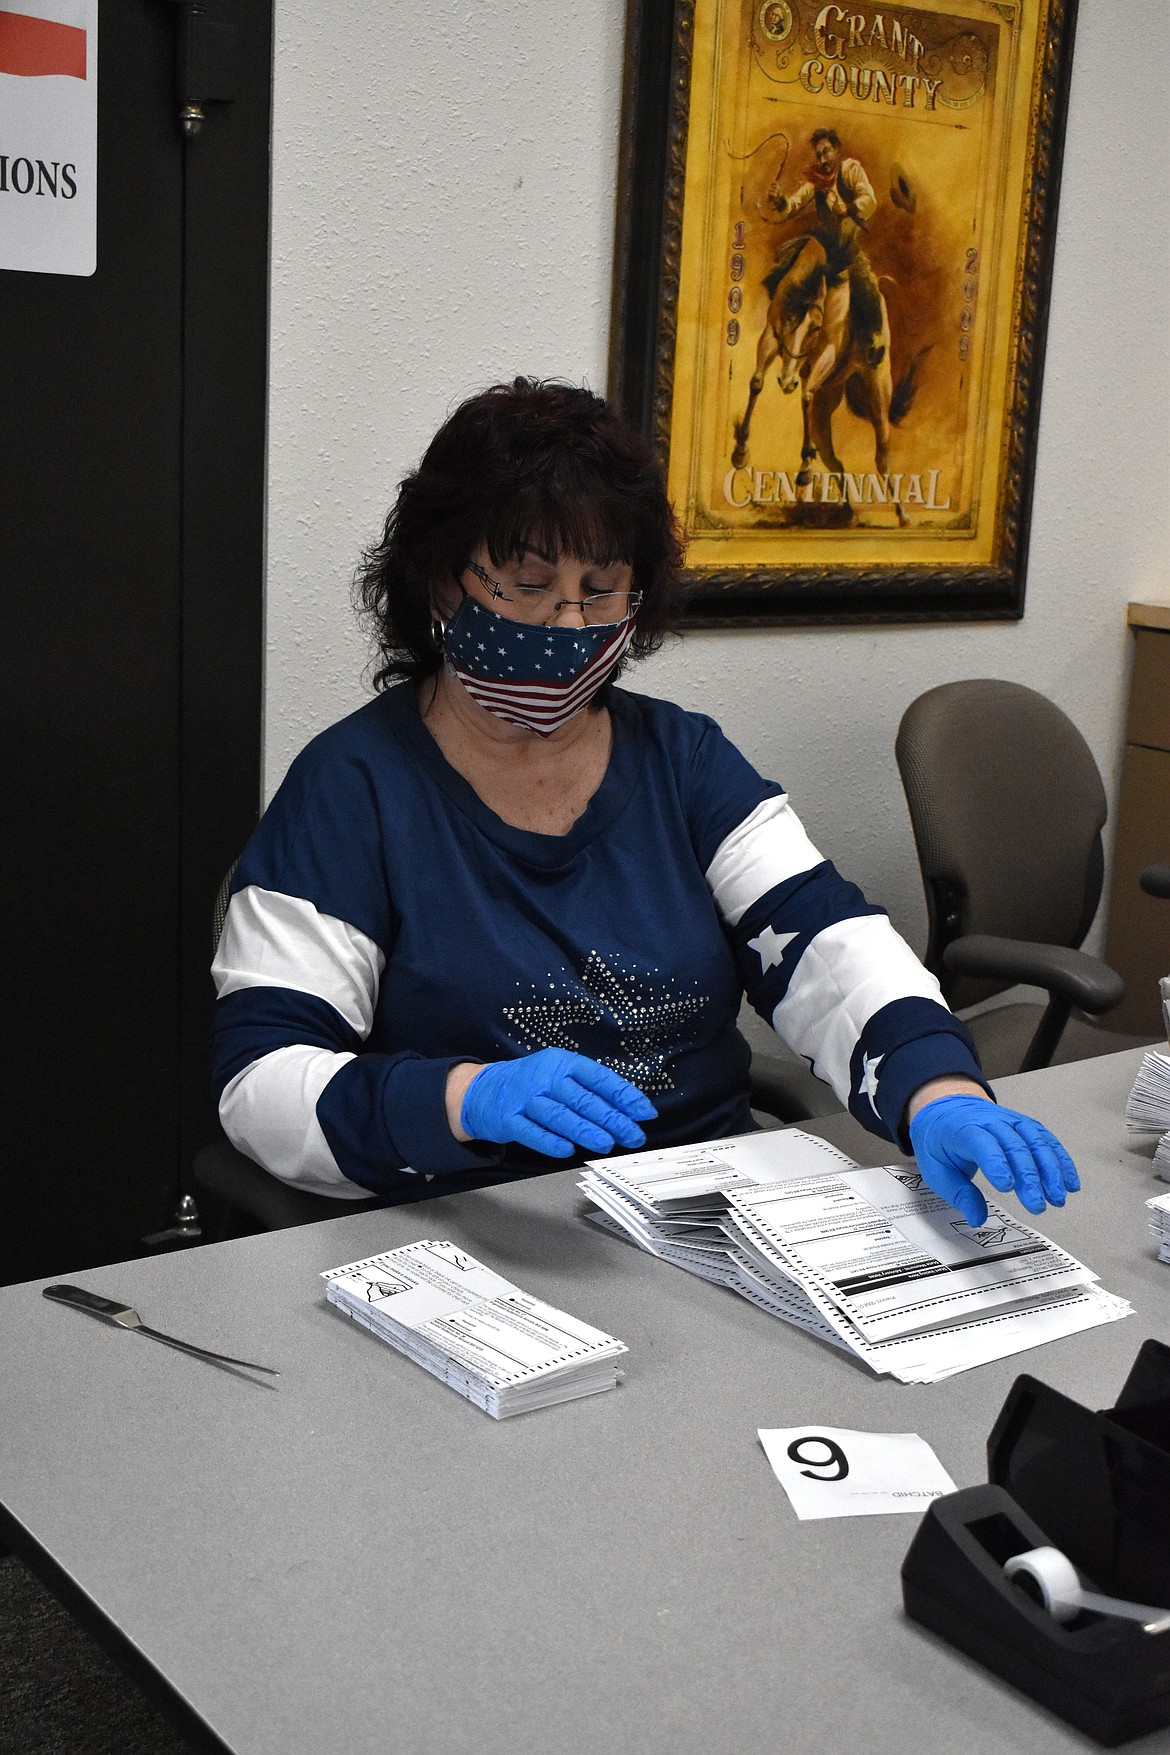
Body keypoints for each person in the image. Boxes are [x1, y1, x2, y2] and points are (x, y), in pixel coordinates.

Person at [210, 377, 1078, 1230]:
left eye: (600, 586)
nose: (568, 620)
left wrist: (937, 1089)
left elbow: (823, 941)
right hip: (471, 1223)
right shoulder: (351, 786)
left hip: (703, 1205)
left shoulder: (684, 758)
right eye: (528, 582)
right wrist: (462, 1097)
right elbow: (260, 1084)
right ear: (442, 583)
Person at [767, 127, 885, 368]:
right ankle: (782, 324)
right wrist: (780, 201)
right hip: (824, 249)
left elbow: (869, 199)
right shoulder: (815, 183)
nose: (822, 160)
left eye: (826, 152)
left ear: (836, 150)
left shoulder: (851, 170)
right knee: (788, 269)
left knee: (867, 284)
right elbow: (793, 205)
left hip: (846, 251)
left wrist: (849, 208)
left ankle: (872, 337)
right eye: (819, 155)